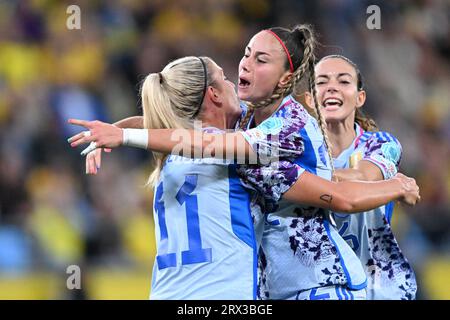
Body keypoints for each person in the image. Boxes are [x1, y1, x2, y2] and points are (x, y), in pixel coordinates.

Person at [68, 25, 420, 300]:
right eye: (247, 55)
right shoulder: (245, 124)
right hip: (271, 285)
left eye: (260, 60)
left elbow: (200, 140)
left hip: (319, 280)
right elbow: (179, 129)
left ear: (285, 78)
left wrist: (398, 184)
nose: (244, 66)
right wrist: (111, 132)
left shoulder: (285, 130)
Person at [303, 55, 417, 299]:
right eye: (321, 82)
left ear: (359, 97)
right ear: (310, 99)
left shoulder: (382, 144)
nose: (332, 87)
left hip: (381, 287)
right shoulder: (298, 150)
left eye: (343, 81)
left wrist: (298, 178)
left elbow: (363, 176)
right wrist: (397, 187)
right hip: (323, 287)